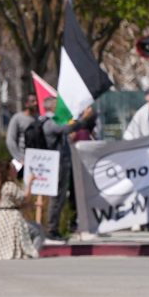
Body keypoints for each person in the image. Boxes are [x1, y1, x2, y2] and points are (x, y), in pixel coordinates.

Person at [42, 98, 94, 242]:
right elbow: (68, 128)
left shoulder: (55, 121)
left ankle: (55, 228)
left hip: (61, 164)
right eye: (58, 105)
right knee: (56, 197)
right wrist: (84, 118)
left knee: (60, 197)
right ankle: (51, 230)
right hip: (56, 165)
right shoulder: (50, 122)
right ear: (52, 107)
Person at [0, 159, 40, 260]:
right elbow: (24, 197)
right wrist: (30, 182)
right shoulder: (9, 186)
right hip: (11, 217)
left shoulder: (6, 185)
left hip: (4, 216)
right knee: (38, 231)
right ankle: (32, 251)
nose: (15, 170)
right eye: (13, 169)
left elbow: (18, 202)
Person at [5, 93, 39, 166]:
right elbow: (10, 140)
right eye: (33, 101)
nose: (36, 103)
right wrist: (20, 158)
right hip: (21, 161)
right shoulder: (17, 118)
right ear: (26, 104)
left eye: (36, 101)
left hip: (36, 160)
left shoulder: (39, 119)